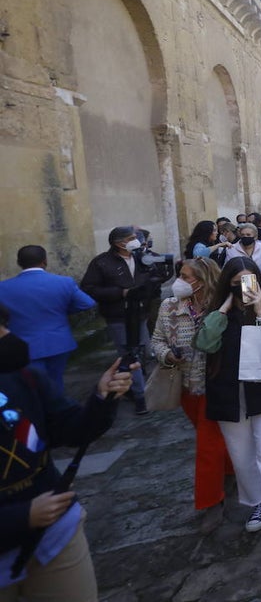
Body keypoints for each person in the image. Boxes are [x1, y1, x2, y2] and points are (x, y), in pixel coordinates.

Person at [0, 304, 136, 600]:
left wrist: (103, 398)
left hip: (56, 533)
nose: (8, 338)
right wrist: (21, 516)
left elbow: (72, 429)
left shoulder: (25, 377)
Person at [194, 257, 261, 553]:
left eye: (249, 278)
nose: (244, 285)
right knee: (242, 458)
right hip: (228, 394)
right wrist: (224, 310)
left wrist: (260, 310)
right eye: (238, 280)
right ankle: (258, 503)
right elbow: (205, 344)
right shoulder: (217, 312)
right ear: (228, 282)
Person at [149, 258, 230, 534]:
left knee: (207, 445)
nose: (179, 281)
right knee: (213, 439)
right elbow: (157, 341)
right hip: (184, 385)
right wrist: (167, 355)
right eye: (179, 275)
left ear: (203, 279)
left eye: (186, 276)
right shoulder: (169, 307)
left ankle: (211, 501)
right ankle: (231, 471)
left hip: (215, 385)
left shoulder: (220, 306)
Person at [80, 226, 163, 415]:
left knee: (143, 350)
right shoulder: (101, 263)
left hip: (140, 312)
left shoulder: (141, 257)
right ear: (119, 243)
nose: (136, 240)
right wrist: (121, 293)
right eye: (132, 237)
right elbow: (89, 288)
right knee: (128, 353)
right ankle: (141, 396)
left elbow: (156, 276)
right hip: (118, 315)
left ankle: (137, 387)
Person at [0, 245, 96, 392]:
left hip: (23, 344)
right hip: (58, 342)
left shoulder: (3, 287)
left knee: (30, 386)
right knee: (55, 381)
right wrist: (60, 311)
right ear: (45, 261)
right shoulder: (64, 282)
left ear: (19, 263)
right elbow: (87, 303)